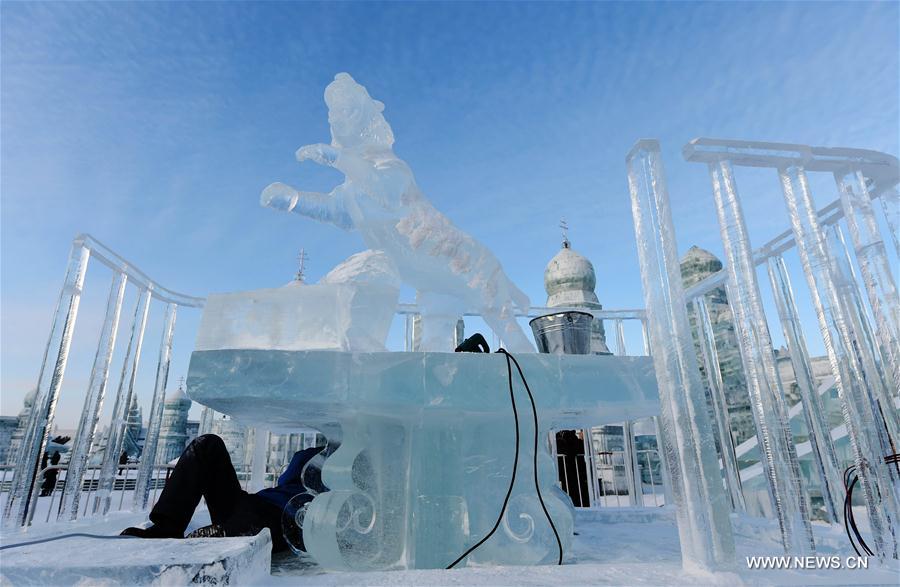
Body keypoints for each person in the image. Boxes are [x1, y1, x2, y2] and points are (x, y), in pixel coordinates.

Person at [121, 434, 325, 552]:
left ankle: (231, 535)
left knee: (268, 524)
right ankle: (167, 526)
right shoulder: (313, 455)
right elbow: (287, 478)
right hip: (256, 504)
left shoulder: (353, 468)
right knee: (207, 444)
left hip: (291, 520)